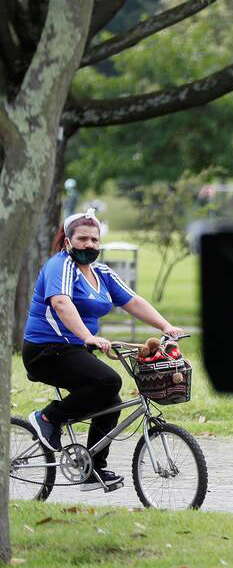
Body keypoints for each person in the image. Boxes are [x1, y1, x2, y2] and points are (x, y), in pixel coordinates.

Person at [23, 209, 185, 490]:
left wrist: (166, 326)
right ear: (67, 241)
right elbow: (61, 303)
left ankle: (92, 470)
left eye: (94, 240)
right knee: (108, 380)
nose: (89, 245)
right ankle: (48, 417)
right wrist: (88, 337)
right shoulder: (59, 266)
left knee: (111, 399)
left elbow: (133, 301)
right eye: (83, 238)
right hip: (45, 350)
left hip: (75, 350)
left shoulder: (101, 273)